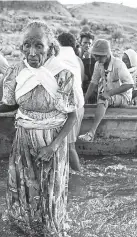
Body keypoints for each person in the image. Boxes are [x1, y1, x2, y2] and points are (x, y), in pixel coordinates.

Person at [0, 21, 78, 237]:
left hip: (52, 143)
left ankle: (50, 234)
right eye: (27, 45)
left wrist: (53, 147)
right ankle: (25, 229)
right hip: (23, 140)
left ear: (49, 47)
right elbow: (12, 104)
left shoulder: (63, 75)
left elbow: (73, 116)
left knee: (49, 191)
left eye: (39, 45)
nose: (32, 52)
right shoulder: (15, 72)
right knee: (25, 189)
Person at [78, 39, 134, 142]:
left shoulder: (118, 64)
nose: (97, 58)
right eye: (96, 56)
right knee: (98, 98)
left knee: (103, 99)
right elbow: (93, 82)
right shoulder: (98, 64)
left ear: (107, 54)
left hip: (123, 97)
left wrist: (109, 93)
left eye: (100, 56)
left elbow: (130, 84)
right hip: (109, 95)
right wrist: (84, 100)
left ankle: (91, 133)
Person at [57, 32, 85, 171]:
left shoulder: (56, 56)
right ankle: (71, 175)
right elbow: (81, 82)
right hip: (79, 104)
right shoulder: (78, 60)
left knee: (69, 146)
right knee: (68, 145)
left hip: (68, 106)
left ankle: (79, 175)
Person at [79, 32, 97, 104]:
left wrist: (88, 59)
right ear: (80, 43)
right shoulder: (75, 56)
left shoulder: (95, 59)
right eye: (85, 43)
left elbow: (91, 76)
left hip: (90, 89)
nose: (87, 45)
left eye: (89, 43)